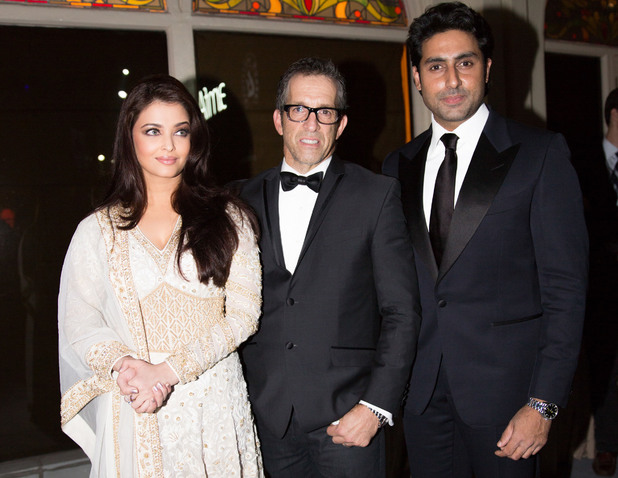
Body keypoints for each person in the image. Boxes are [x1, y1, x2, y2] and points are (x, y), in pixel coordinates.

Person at [382, 3, 588, 477]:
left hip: (509, 401)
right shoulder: (397, 166)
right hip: (422, 395)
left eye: (465, 63)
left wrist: (545, 404)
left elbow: (566, 292)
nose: (451, 80)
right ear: (417, 77)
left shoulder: (539, 154)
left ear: (487, 69)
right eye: (435, 66)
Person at [58, 75, 264, 477]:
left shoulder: (229, 217)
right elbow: (79, 319)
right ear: (129, 138)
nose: (168, 146)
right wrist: (127, 368)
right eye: (153, 131)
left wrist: (167, 372)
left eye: (180, 131)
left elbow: (244, 315)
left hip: (214, 403)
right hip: (136, 401)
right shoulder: (97, 230)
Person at [239, 57, 421, 477]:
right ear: (279, 119)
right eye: (298, 110)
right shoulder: (239, 200)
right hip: (267, 417)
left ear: (340, 125)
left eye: (325, 113)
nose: (311, 124)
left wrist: (376, 408)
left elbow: (401, 312)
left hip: (348, 418)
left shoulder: (377, 195)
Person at [574, 88, 618, 476]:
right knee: (604, 369)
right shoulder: (580, 159)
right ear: (614, 114)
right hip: (598, 288)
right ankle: (606, 445)